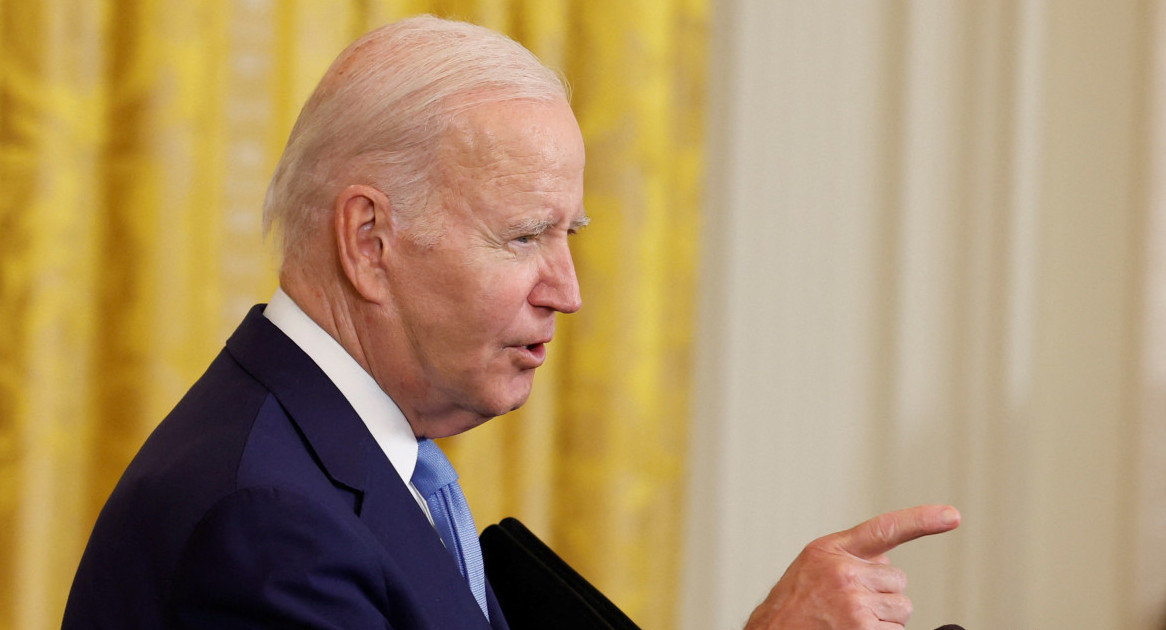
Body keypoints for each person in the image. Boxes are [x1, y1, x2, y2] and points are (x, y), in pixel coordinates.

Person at [62, 15, 959, 630]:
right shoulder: (265, 523)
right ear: (369, 240)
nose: (566, 291)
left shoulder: (350, 461)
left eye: (567, 235)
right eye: (526, 236)